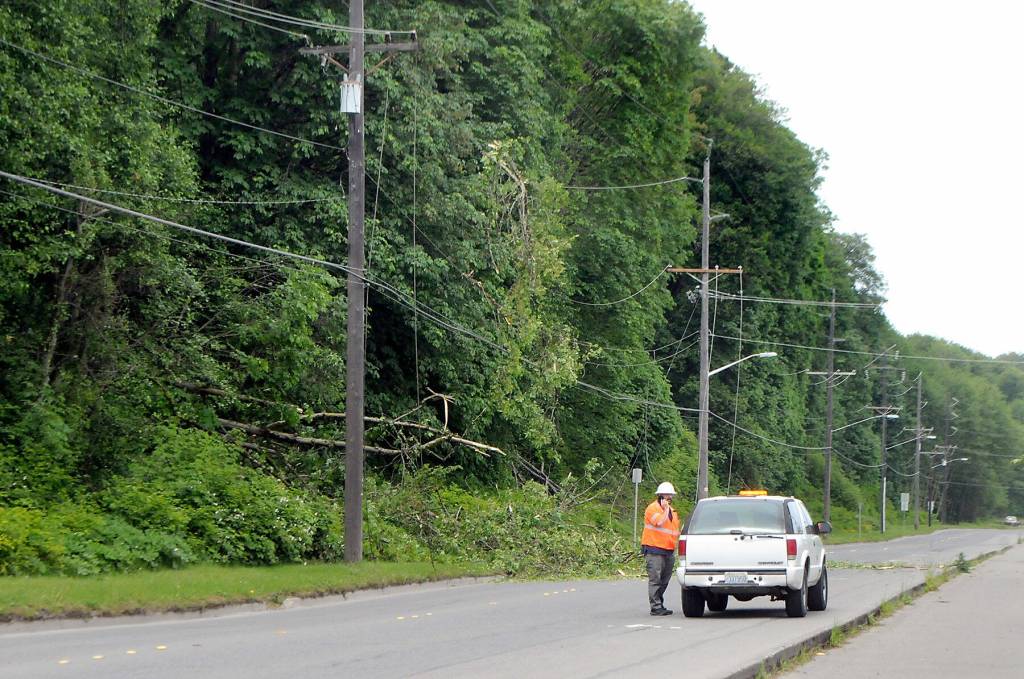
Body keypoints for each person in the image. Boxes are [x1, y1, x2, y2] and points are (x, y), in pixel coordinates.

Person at [641, 481, 681, 616]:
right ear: (660, 496)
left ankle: (659, 603)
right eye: (667, 495)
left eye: (670, 495)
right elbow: (659, 522)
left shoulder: (673, 512)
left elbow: (675, 531)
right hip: (654, 549)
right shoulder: (652, 509)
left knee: (665, 579)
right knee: (655, 579)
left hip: (668, 550)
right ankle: (655, 606)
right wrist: (665, 510)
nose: (669, 498)